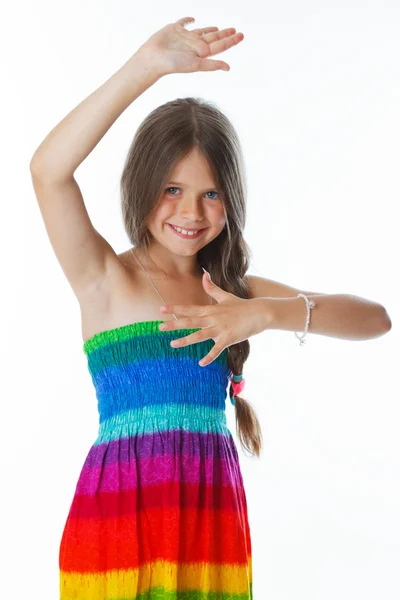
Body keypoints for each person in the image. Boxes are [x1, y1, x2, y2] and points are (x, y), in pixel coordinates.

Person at [29, 15, 391, 600]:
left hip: (211, 527)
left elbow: (375, 319)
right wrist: (143, 68)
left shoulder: (230, 289)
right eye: (172, 189)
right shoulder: (105, 278)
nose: (190, 212)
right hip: (119, 530)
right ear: (142, 187)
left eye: (211, 194)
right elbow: (47, 172)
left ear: (232, 202)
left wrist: (266, 313)